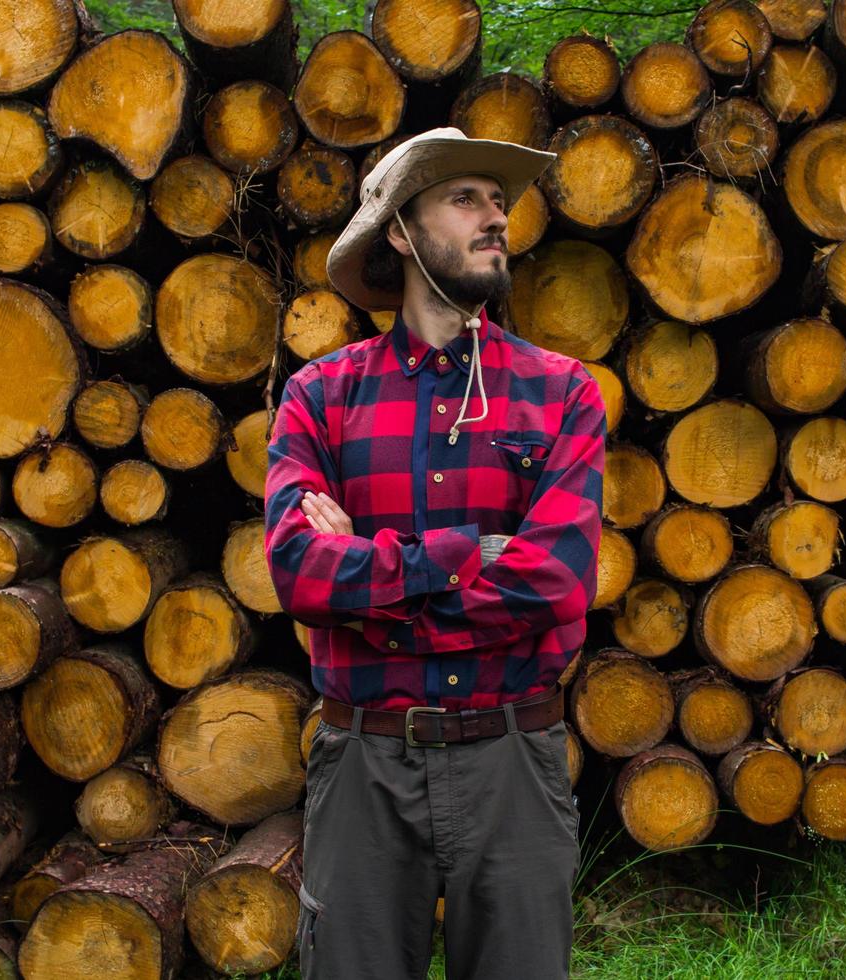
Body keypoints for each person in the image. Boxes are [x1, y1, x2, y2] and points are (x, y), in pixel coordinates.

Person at [263, 126, 607, 980]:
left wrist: (372, 594)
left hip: (513, 763)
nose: (497, 219)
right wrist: (460, 555)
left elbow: (555, 581)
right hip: (364, 766)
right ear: (402, 233)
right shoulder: (321, 397)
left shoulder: (562, 391)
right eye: (466, 199)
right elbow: (299, 572)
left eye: (500, 202)